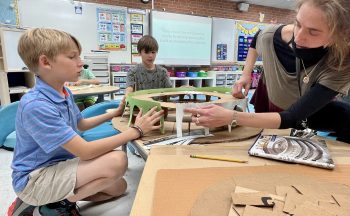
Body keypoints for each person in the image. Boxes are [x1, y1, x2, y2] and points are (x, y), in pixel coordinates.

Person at [9, 28, 163, 215]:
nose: (81, 63)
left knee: (119, 187)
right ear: (45, 62)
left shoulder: (64, 92)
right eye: (73, 57)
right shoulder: (36, 105)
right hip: (35, 179)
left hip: (60, 166)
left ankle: (56, 199)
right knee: (118, 160)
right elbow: (86, 151)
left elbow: (81, 124)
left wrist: (115, 112)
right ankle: (47, 204)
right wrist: (136, 130)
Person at [185, 0, 350, 143]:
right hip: (273, 96)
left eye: (313, 32)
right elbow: (258, 37)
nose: (298, 37)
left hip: (304, 108)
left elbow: (292, 116)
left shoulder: (342, 63)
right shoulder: (274, 35)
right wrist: (245, 74)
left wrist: (232, 117)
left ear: (339, 34)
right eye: (298, 24)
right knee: (265, 137)